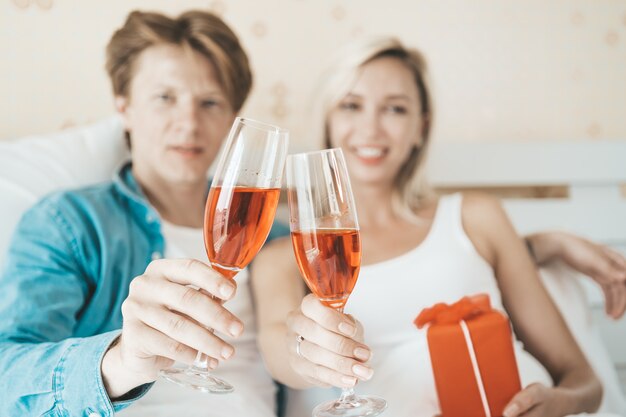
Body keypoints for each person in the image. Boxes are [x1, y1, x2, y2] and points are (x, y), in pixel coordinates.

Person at [252, 36, 626, 417]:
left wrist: (557, 403)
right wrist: (304, 352)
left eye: (395, 109)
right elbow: (280, 352)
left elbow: (584, 382)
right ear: (328, 121)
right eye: (351, 105)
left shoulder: (475, 218)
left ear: (421, 127)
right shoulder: (285, 259)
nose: (371, 128)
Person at [0, 10, 287, 417]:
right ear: (125, 108)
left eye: (210, 102)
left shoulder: (274, 237)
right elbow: (6, 377)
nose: (188, 123)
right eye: (164, 98)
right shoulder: (69, 224)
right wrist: (118, 361)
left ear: (231, 120)